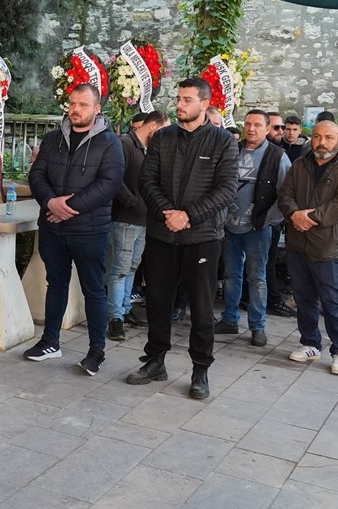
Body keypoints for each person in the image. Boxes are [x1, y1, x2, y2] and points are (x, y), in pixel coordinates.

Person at [126, 78, 237, 400]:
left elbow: (227, 189)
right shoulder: (162, 137)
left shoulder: (223, 142)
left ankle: (200, 370)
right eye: (178, 98)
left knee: (201, 308)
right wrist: (167, 214)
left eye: (187, 99)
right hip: (163, 234)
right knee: (158, 302)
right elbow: (146, 181)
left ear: (204, 104)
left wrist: (187, 216)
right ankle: (155, 361)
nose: (180, 104)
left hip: (202, 237)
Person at [23, 83, 125, 374]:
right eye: (72, 104)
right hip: (53, 228)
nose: (75, 110)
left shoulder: (110, 142)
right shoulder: (54, 138)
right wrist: (50, 202)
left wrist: (68, 208)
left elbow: (109, 184)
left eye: (82, 105)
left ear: (96, 109)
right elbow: (37, 173)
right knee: (55, 284)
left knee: (94, 289)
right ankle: (50, 341)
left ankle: (96, 351)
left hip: (89, 230)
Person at [279, 120, 338, 375]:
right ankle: (310, 343)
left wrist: (308, 218)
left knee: (332, 301)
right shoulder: (300, 164)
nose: (321, 142)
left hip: (328, 247)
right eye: (316, 137)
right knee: (303, 298)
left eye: (328, 137)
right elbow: (285, 195)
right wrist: (294, 214)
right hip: (298, 243)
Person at [215, 109, 290, 345]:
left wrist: (269, 219)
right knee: (230, 274)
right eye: (248, 123)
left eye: (258, 125)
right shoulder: (231, 150)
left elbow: (286, 193)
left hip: (258, 228)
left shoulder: (278, 156)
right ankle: (229, 319)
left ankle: (257, 326)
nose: (251, 129)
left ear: (267, 129)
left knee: (257, 277)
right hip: (229, 226)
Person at [107, 109, 169, 340]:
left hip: (145, 219)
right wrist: (131, 201)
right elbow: (114, 178)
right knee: (120, 269)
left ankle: (124, 309)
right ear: (153, 126)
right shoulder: (124, 144)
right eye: (163, 130)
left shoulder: (151, 148)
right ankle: (115, 318)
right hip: (125, 217)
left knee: (132, 267)